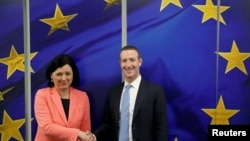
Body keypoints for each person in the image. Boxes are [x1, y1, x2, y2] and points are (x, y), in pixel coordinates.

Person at [91, 45, 168, 141]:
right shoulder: (113, 93)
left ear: (140, 62)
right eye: (124, 61)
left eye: (132, 60)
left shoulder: (155, 91)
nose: (128, 65)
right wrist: (93, 136)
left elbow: (161, 129)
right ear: (120, 63)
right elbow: (108, 124)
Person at [34, 54, 93, 141]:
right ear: (51, 75)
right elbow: (46, 128)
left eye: (68, 74)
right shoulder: (42, 95)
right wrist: (77, 133)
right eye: (59, 74)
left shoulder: (83, 97)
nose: (64, 78)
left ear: (73, 74)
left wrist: (86, 136)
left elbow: (85, 131)